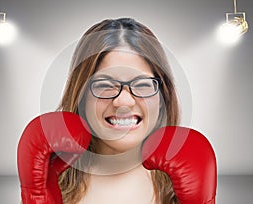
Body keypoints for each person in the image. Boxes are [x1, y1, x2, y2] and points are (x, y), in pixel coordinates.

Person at [17, 17, 217, 204]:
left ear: (162, 96)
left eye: (142, 84)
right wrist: (35, 195)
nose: (123, 101)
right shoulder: (52, 179)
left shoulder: (179, 185)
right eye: (105, 84)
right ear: (81, 95)